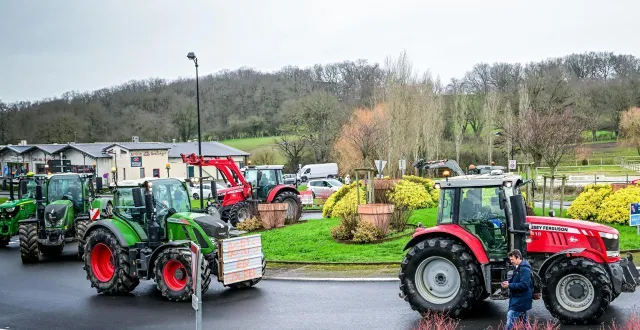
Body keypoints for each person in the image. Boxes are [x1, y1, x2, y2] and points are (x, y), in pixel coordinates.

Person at [501, 249, 533, 330]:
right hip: (520, 299)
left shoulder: (524, 269)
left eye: (512, 259)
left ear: (518, 257)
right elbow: (515, 280)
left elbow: (524, 285)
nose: (511, 261)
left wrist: (509, 285)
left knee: (510, 319)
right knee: (525, 323)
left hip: (520, 300)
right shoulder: (519, 267)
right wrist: (507, 282)